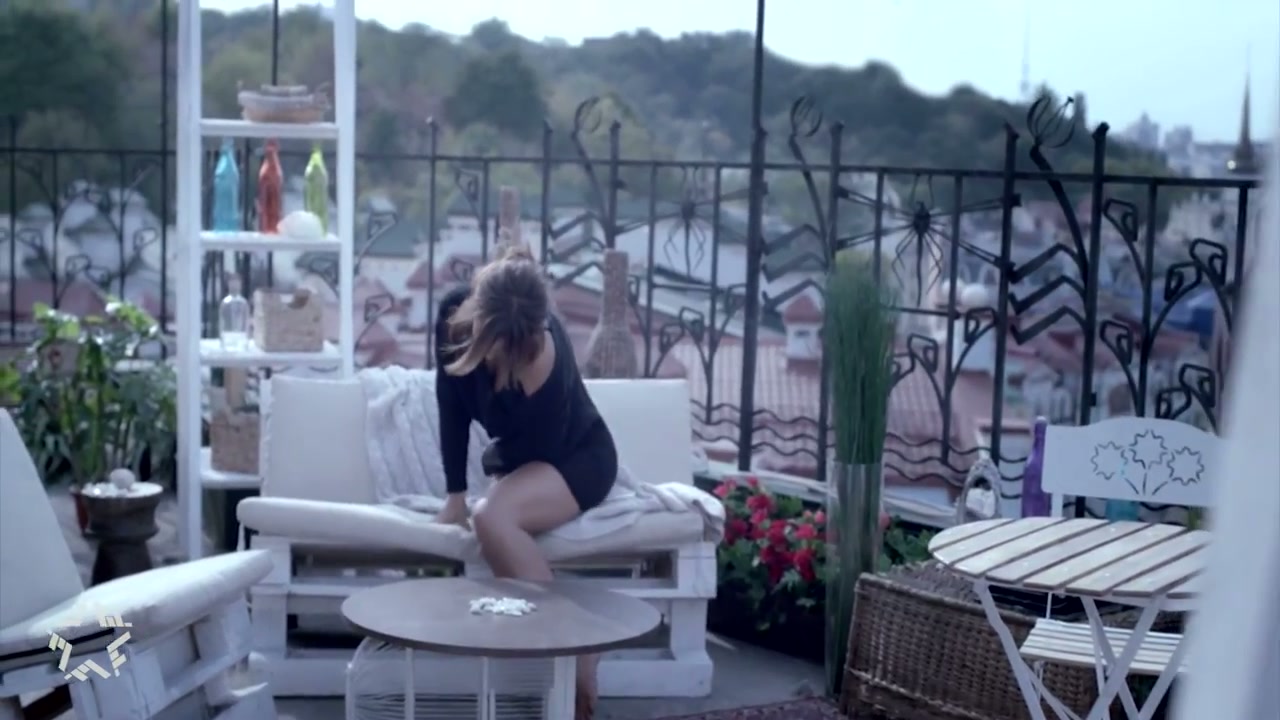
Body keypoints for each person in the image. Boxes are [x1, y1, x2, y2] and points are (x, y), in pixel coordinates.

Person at [433, 244, 618, 720]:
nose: (504, 358)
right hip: (527, 459)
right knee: (485, 514)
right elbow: (451, 406)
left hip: (579, 458)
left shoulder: (545, 356)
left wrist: (501, 485)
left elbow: (541, 451)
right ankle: (572, 648)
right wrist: (455, 494)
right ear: (478, 318)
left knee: (492, 517)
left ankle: (578, 647)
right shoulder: (452, 318)